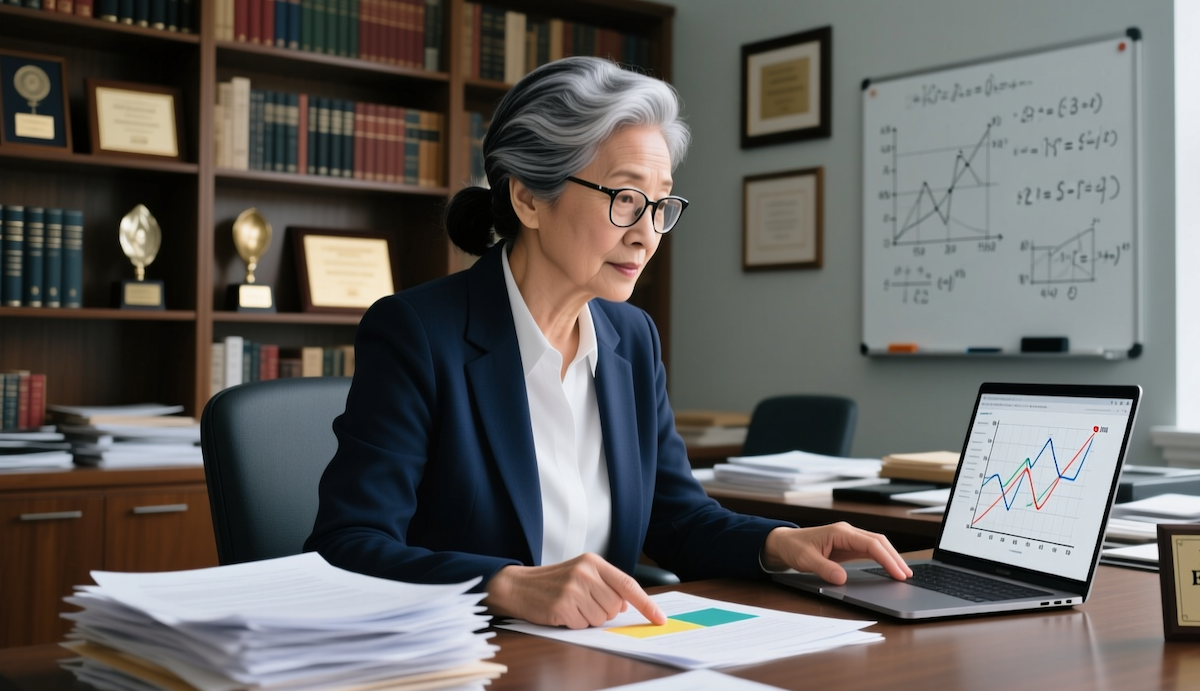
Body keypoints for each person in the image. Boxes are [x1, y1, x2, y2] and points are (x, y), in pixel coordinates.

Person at [305, 57, 911, 629]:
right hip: (468, 664)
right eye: (625, 200)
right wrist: (507, 584)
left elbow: (676, 518)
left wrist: (778, 543)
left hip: (606, 657)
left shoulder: (630, 338)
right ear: (528, 198)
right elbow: (346, 546)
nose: (648, 235)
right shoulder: (418, 332)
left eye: (661, 205)